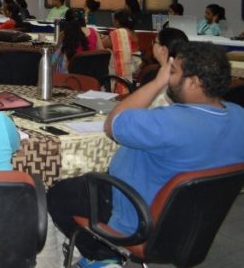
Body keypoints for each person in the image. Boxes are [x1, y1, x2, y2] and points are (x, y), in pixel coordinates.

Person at [47, 42, 244, 268]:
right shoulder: (239, 116)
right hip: (191, 223)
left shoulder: (169, 123)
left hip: (137, 215)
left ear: (194, 82)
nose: (168, 76)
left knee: (59, 193)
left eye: (173, 72)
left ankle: (103, 256)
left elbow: (113, 123)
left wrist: (157, 82)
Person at [146, 27, 189, 108]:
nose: (152, 45)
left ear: (163, 50)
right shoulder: (188, 76)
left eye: (154, 42)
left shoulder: (153, 77)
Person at [51, 8, 102, 73]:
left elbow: (56, 54)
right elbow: (102, 54)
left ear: (66, 22)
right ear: (83, 20)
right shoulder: (94, 32)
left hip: (71, 75)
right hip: (92, 74)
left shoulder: (64, 34)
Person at [101, 9, 139, 93]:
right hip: (134, 65)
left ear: (117, 22)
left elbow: (103, 44)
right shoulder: (132, 32)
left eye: (114, 20)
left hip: (127, 66)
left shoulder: (119, 33)